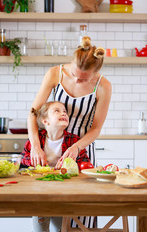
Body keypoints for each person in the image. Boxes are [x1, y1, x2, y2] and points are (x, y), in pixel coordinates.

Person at [27, 36, 112, 229]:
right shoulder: (54, 74)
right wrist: (36, 146)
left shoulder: (104, 86)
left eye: (83, 78)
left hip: (81, 151)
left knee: (82, 215)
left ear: (96, 74)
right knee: (48, 206)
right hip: (52, 147)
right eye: (74, 74)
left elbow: (96, 128)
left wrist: (76, 147)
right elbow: (33, 113)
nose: (76, 79)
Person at [21, 101, 90, 232]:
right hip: (39, 193)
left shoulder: (74, 141)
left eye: (64, 111)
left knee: (59, 228)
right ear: (45, 121)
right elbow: (23, 164)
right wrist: (36, 166)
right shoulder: (35, 142)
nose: (63, 113)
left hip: (64, 193)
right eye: (57, 111)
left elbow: (85, 164)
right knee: (40, 227)